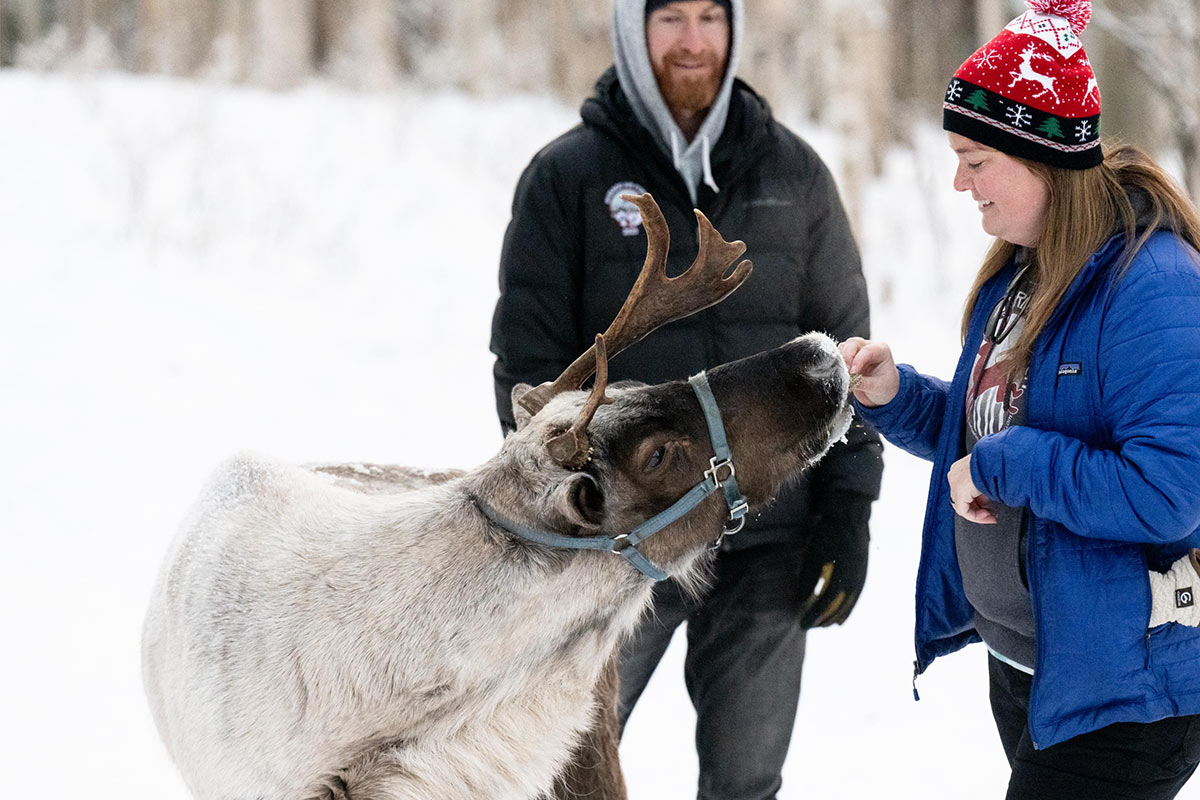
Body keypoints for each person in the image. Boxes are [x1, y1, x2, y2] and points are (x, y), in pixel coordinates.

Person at [489, 0, 883, 797]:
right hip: (619, 548)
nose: (694, 41)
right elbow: (528, 376)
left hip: (769, 538)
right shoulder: (566, 178)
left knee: (746, 781)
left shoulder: (794, 174)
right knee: (567, 777)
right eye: (670, 19)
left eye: (712, 16)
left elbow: (847, 356)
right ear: (634, 32)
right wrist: (567, 510)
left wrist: (849, 506)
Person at [840, 1, 1200, 797]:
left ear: (1042, 158)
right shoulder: (1024, 270)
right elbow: (988, 432)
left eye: (974, 159)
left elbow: (1169, 494)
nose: (958, 181)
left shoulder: (1155, 285)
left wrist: (1007, 466)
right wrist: (897, 396)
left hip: (1128, 694)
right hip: (1033, 669)